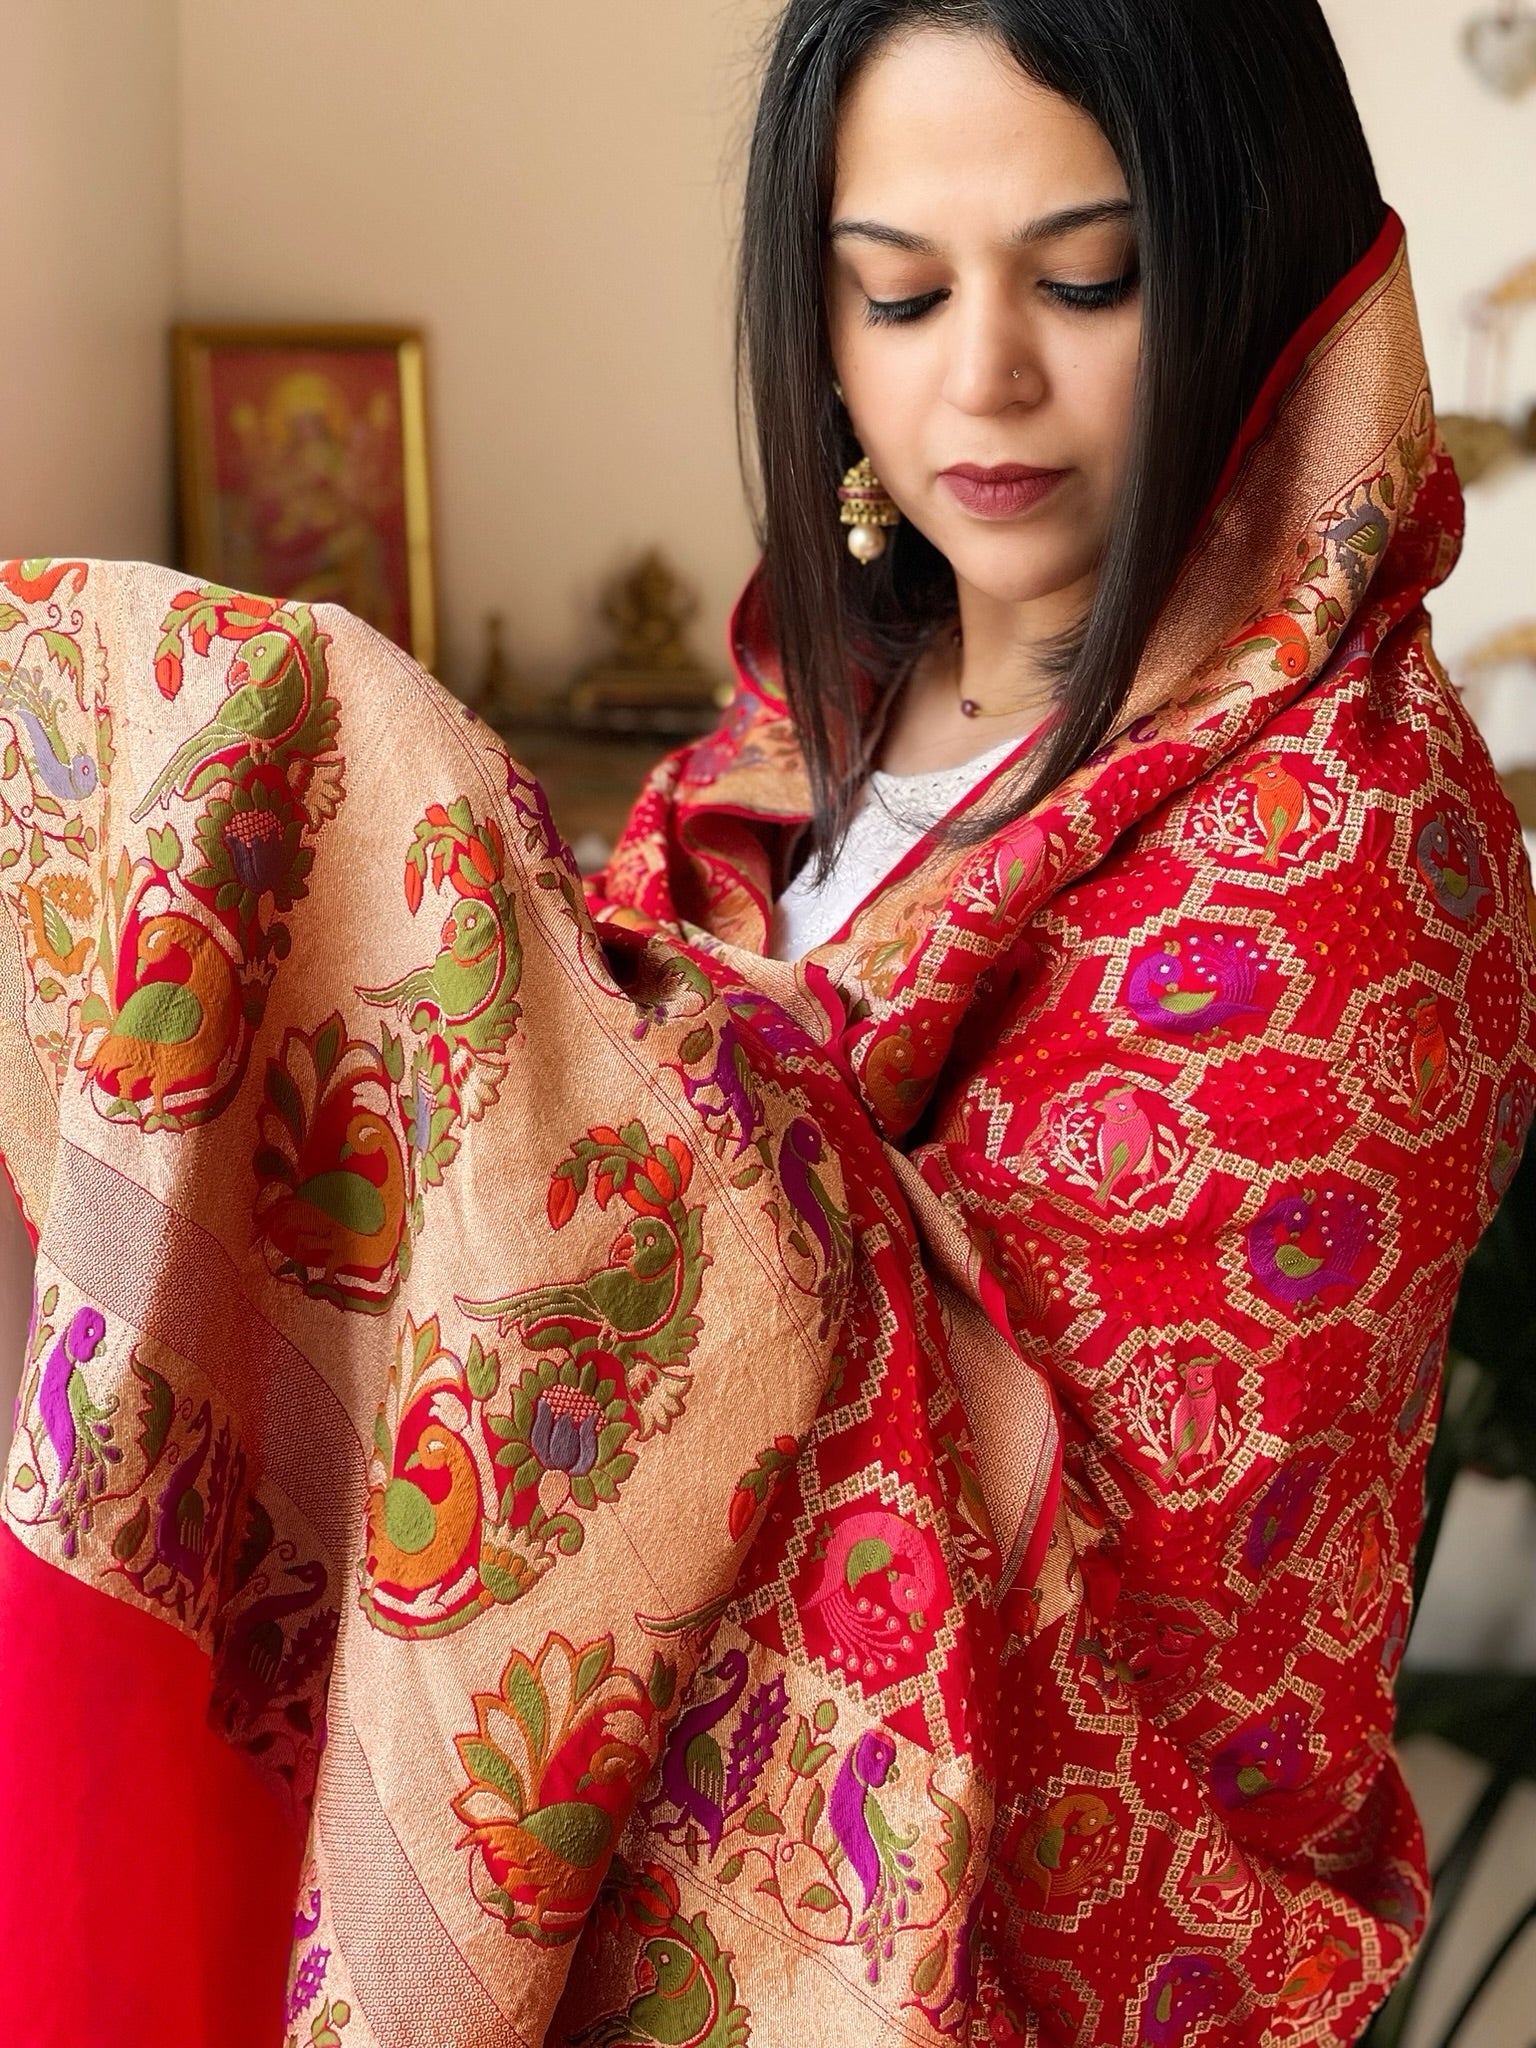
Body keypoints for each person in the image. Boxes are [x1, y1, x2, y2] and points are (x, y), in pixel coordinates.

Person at [1, 3, 1532, 2044]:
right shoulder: (796, 721)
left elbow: (1037, 1542)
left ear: (1263, 262)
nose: (980, 376)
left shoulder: (1351, 836)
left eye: (1091, 276)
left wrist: (392, 815)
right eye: (894, 291)